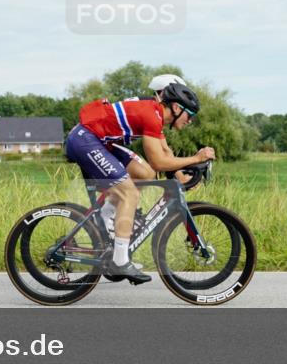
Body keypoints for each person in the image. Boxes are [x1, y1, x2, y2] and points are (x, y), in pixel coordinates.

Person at [64, 82, 215, 284]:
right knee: (130, 194)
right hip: (85, 140)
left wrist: (181, 176)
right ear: (177, 108)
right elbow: (159, 162)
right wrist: (196, 159)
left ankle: (107, 215)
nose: (190, 121)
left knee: (145, 173)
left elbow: (164, 154)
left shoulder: (156, 115)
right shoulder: (152, 115)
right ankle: (119, 260)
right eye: (191, 115)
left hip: (99, 140)